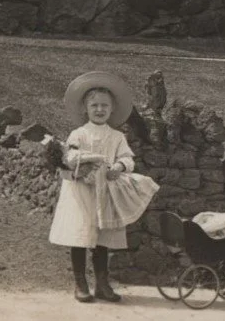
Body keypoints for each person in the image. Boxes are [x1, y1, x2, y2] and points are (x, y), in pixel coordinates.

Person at [48, 71, 158, 303]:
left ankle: (102, 283)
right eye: (95, 105)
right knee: (80, 235)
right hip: (81, 192)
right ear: (85, 109)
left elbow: (128, 158)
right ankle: (80, 284)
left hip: (106, 192)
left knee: (101, 238)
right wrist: (85, 159)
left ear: (112, 109)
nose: (99, 110)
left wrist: (119, 165)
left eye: (104, 106)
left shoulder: (116, 136)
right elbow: (70, 156)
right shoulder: (79, 133)